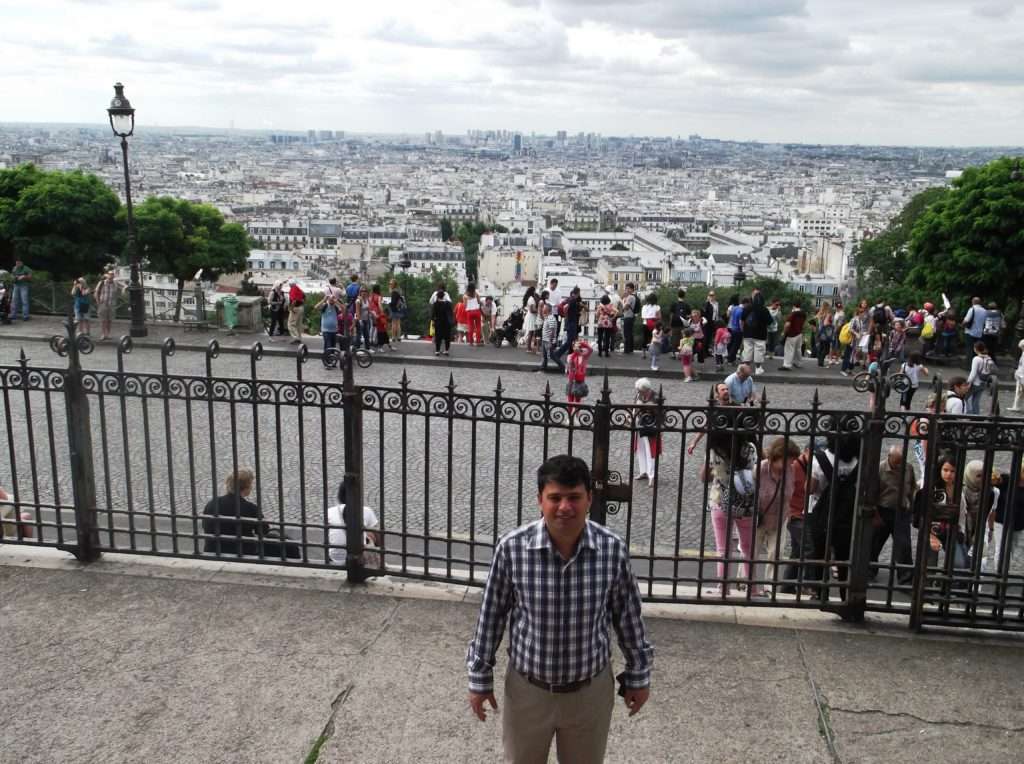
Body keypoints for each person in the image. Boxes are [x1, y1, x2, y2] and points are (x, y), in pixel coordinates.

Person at [466, 456, 653, 762]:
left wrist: (638, 674)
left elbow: (628, 617)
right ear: (540, 500)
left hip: (589, 693)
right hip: (528, 691)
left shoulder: (611, 549)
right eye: (555, 498)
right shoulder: (513, 548)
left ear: (589, 499)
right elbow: (491, 616)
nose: (565, 507)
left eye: (574, 498)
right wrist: (479, 677)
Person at [700, 430, 759, 595]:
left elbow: (704, 476)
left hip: (720, 499)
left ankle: (724, 588)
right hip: (745, 502)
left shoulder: (714, 451)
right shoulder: (749, 448)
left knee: (723, 549)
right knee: (748, 547)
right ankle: (753, 588)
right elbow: (755, 474)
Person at [806, 432, 861, 597]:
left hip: (822, 514)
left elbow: (810, 489)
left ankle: (821, 593)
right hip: (848, 516)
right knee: (845, 557)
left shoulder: (820, 460)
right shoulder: (859, 461)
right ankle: (846, 594)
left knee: (820, 555)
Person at [202, 469, 300, 559]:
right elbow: (264, 531)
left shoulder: (212, 503)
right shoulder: (250, 508)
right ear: (246, 488)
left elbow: (205, 525)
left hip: (213, 550)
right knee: (290, 547)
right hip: (242, 552)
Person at [754, 437, 799, 596]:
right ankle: (746, 582)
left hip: (780, 517)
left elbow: (792, 491)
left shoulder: (790, 471)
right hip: (759, 518)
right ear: (778, 456)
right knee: (752, 551)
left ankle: (769, 586)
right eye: (789, 459)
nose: (791, 463)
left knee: (776, 552)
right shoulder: (760, 469)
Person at [870, 446, 918, 585]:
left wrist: (911, 508)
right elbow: (873, 493)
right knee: (874, 544)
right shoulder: (880, 469)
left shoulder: (908, 468)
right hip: (883, 510)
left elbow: (912, 487)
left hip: (901, 511)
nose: (899, 465)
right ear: (889, 457)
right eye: (897, 462)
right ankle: (869, 573)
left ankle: (906, 578)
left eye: (901, 461)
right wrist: (875, 514)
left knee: (904, 545)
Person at [915, 452, 969, 572]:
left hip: (951, 532)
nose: (948, 474)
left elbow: (961, 515)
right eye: (945, 470)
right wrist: (930, 536)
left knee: (961, 563)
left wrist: (961, 531)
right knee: (928, 567)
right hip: (931, 532)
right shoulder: (930, 489)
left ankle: (948, 586)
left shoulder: (959, 490)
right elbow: (920, 516)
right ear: (940, 470)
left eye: (952, 471)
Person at [326, 480, 381, 567]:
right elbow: (379, 540)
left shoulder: (329, 511)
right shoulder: (366, 511)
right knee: (371, 533)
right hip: (359, 559)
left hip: (334, 558)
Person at [989, 466, 1024, 577]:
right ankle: (999, 574)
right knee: (1001, 547)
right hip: (1001, 521)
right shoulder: (1008, 480)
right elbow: (994, 481)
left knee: (1012, 548)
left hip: (1018, 524)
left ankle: (1004, 571)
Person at [633, 378, 661, 484]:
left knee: (651, 451)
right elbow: (634, 408)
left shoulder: (656, 396)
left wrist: (646, 405)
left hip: (651, 426)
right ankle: (643, 471)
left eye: (640, 391)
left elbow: (660, 411)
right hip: (640, 424)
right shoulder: (639, 395)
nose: (638, 393)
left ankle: (651, 475)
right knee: (640, 449)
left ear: (646, 390)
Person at [551, 287, 583, 370]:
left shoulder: (570, 299)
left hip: (571, 322)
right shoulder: (572, 300)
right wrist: (567, 317)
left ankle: (572, 356)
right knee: (570, 341)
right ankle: (557, 353)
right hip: (571, 323)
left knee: (572, 340)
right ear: (578, 293)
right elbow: (565, 308)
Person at [740, 291, 771, 375]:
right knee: (759, 351)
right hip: (760, 334)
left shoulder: (747, 308)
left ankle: (746, 368)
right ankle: (758, 368)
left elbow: (742, 320)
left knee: (747, 350)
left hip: (747, 333)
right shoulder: (764, 309)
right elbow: (769, 322)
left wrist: (743, 330)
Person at [966, 342, 996, 415]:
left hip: (975, 382)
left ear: (976, 349)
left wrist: (968, 382)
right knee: (976, 401)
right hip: (984, 382)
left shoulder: (976, 359)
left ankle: (968, 413)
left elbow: (973, 373)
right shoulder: (988, 358)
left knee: (965, 398)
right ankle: (976, 416)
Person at [565, 337, 593, 412]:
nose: (576, 347)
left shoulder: (584, 356)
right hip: (572, 380)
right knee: (570, 400)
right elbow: (570, 367)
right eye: (574, 346)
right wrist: (575, 353)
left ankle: (576, 416)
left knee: (578, 401)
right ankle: (569, 417)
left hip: (580, 381)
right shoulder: (570, 356)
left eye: (578, 346)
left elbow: (590, 350)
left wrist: (582, 344)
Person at [92, 269, 121, 341]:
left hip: (112, 304)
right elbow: (96, 292)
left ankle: (107, 334)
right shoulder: (102, 283)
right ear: (107, 275)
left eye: (112, 274)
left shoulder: (115, 283)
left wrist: (124, 288)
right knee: (103, 320)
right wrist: (98, 302)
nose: (111, 275)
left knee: (110, 320)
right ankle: (103, 334)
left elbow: (122, 286)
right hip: (103, 303)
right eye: (110, 274)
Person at [314, 294, 342, 367]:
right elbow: (316, 307)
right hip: (326, 330)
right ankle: (326, 362)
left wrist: (337, 302)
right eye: (330, 299)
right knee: (328, 346)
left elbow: (343, 309)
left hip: (334, 330)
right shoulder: (325, 305)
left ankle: (332, 361)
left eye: (333, 299)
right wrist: (323, 299)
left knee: (333, 347)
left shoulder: (335, 307)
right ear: (328, 299)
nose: (332, 300)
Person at [780, 304, 806, 371]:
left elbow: (787, 324)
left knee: (789, 350)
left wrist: (784, 332)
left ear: (794, 306)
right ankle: (799, 363)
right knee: (798, 349)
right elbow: (803, 325)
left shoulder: (793, 314)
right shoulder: (803, 314)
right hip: (799, 334)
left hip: (792, 334)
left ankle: (787, 365)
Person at [429, 283, 453, 356]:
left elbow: (433, 314)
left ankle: (437, 351)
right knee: (447, 337)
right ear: (444, 296)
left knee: (438, 336)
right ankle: (446, 350)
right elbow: (451, 312)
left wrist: (433, 321)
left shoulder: (436, 304)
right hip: (446, 323)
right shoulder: (448, 304)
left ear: (437, 296)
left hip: (438, 322)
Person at [962, 296, 987, 362]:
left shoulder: (972, 309)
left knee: (969, 348)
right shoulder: (984, 311)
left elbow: (966, 320)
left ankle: (969, 363)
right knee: (977, 349)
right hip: (979, 333)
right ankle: (977, 362)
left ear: (973, 302)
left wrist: (962, 325)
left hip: (970, 332)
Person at [669, 288, 691, 359]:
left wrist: (670, 324)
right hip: (683, 324)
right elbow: (689, 316)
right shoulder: (686, 305)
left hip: (674, 324)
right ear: (684, 296)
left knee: (674, 339)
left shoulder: (674, 304)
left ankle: (673, 353)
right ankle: (680, 354)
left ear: (677, 296)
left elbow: (671, 315)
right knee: (682, 339)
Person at [537, 302, 558, 372]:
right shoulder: (547, 317)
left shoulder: (551, 318)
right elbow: (541, 316)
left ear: (547, 309)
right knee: (544, 355)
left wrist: (550, 341)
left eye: (544, 307)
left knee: (552, 356)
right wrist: (540, 309)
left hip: (548, 341)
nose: (543, 309)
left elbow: (552, 331)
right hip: (544, 340)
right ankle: (543, 368)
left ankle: (562, 367)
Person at [640, 292, 661, 358]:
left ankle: (643, 354)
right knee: (653, 339)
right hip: (654, 324)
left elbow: (643, 317)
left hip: (645, 324)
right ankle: (652, 354)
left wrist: (649, 318)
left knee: (645, 339)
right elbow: (659, 316)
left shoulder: (644, 307)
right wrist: (653, 318)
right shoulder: (657, 307)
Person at [353, 286, 374, 351]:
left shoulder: (367, 300)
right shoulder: (358, 301)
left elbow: (368, 309)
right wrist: (359, 321)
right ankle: (357, 349)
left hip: (366, 319)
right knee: (358, 335)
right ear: (360, 292)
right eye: (362, 291)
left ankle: (367, 348)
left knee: (366, 334)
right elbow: (357, 311)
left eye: (365, 291)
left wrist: (372, 314)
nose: (364, 292)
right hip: (360, 320)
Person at [813, 303, 834, 368]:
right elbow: (825, 323)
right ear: (827, 307)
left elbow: (813, 319)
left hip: (819, 332)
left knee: (821, 347)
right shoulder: (828, 314)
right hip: (826, 333)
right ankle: (821, 362)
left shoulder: (820, 313)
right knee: (826, 349)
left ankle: (820, 362)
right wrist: (831, 325)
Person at [725, 295, 744, 364]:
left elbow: (727, 315)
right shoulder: (739, 308)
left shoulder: (731, 307)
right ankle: (731, 358)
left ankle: (728, 356)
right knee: (735, 344)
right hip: (736, 327)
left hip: (730, 326)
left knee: (730, 343)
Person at [620, 282, 638, 354]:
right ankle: (630, 348)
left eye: (629, 288)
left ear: (632, 289)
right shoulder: (628, 297)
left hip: (628, 317)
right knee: (630, 333)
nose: (627, 290)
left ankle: (627, 349)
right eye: (626, 288)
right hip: (630, 316)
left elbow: (626, 306)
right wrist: (623, 297)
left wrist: (621, 310)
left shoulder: (631, 297)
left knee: (627, 333)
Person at [521, 286, 539, 353]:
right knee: (531, 332)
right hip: (531, 317)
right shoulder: (531, 299)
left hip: (531, 316)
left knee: (531, 332)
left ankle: (529, 347)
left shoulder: (530, 298)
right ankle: (528, 348)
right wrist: (538, 311)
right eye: (535, 291)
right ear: (533, 291)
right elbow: (532, 310)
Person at [1010, 339, 1024, 412]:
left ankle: (1016, 406)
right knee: (1019, 392)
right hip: (1020, 375)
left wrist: (1018, 375)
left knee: (1019, 391)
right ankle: (1015, 406)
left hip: (1021, 376)